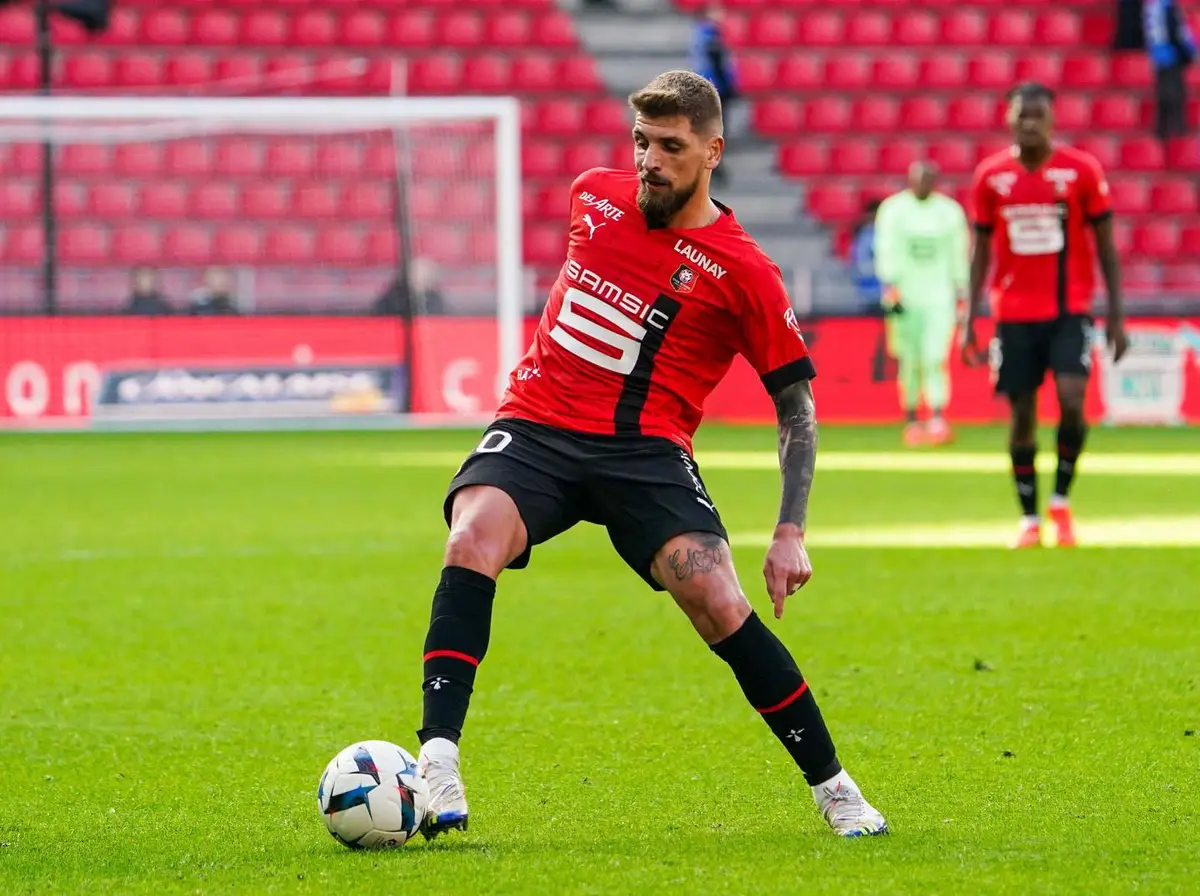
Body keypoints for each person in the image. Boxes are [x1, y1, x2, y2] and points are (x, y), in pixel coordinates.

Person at [414, 71, 888, 841]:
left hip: (645, 452)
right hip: (538, 426)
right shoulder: (592, 197)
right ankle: (436, 759)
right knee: (471, 538)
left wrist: (790, 530)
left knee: (718, 601)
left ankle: (835, 788)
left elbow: (796, 408)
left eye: (670, 146)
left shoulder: (744, 272)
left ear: (712, 153)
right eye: (642, 142)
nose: (649, 161)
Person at [961, 83, 1128, 549]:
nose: (1030, 123)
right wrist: (969, 318)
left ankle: (1060, 499)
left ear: (1053, 120)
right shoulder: (991, 177)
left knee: (1073, 399)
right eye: (1022, 115)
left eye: (1038, 115)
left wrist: (1116, 314)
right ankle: (1030, 519)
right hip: (1013, 314)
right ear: (1009, 119)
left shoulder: (1081, 171)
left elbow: (1106, 246)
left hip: (1069, 309)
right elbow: (980, 250)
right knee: (1021, 416)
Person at [874, 161, 969, 447]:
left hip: (939, 295)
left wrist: (961, 289)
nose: (923, 184)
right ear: (910, 179)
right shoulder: (893, 210)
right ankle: (912, 419)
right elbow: (885, 249)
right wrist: (890, 285)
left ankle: (938, 416)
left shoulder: (950, 212)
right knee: (909, 359)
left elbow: (959, 252)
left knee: (935, 357)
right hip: (905, 295)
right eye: (919, 179)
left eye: (928, 179)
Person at [689, 5, 738, 185]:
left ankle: (711, 167)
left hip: (708, 86)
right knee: (716, 129)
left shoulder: (702, 34)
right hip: (715, 88)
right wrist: (729, 87)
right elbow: (717, 65)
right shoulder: (711, 36)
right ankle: (712, 168)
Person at [1145, 0, 1196, 144]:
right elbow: (1178, 33)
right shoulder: (1167, 8)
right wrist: (1189, 54)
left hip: (1160, 58)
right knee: (1173, 95)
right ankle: (1176, 132)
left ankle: (1163, 132)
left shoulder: (1153, 7)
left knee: (1164, 95)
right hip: (1171, 57)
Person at [850, 200, 882, 311]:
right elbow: (861, 265)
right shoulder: (863, 236)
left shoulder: (889, 234)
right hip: (868, 293)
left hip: (887, 294)